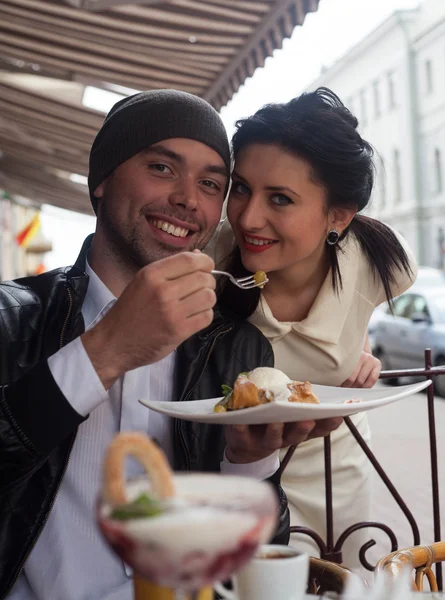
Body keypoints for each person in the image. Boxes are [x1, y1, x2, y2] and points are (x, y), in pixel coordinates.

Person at [0, 90, 342, 600]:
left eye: (211, 184)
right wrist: (107, 349)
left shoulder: (237, 348)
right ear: (101, 180)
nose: (188, 198)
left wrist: (249, 460)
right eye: (161, 167)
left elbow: (256, 561)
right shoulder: (13, 319)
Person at [213, 88, 418, 570]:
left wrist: (359, 348)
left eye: (280, 198)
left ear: (339, 216)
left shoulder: (382, 260)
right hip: (233, 474)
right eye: (240, 188)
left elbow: (357, 309)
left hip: (334, 469)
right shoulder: (210, 263)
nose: (247, 217)